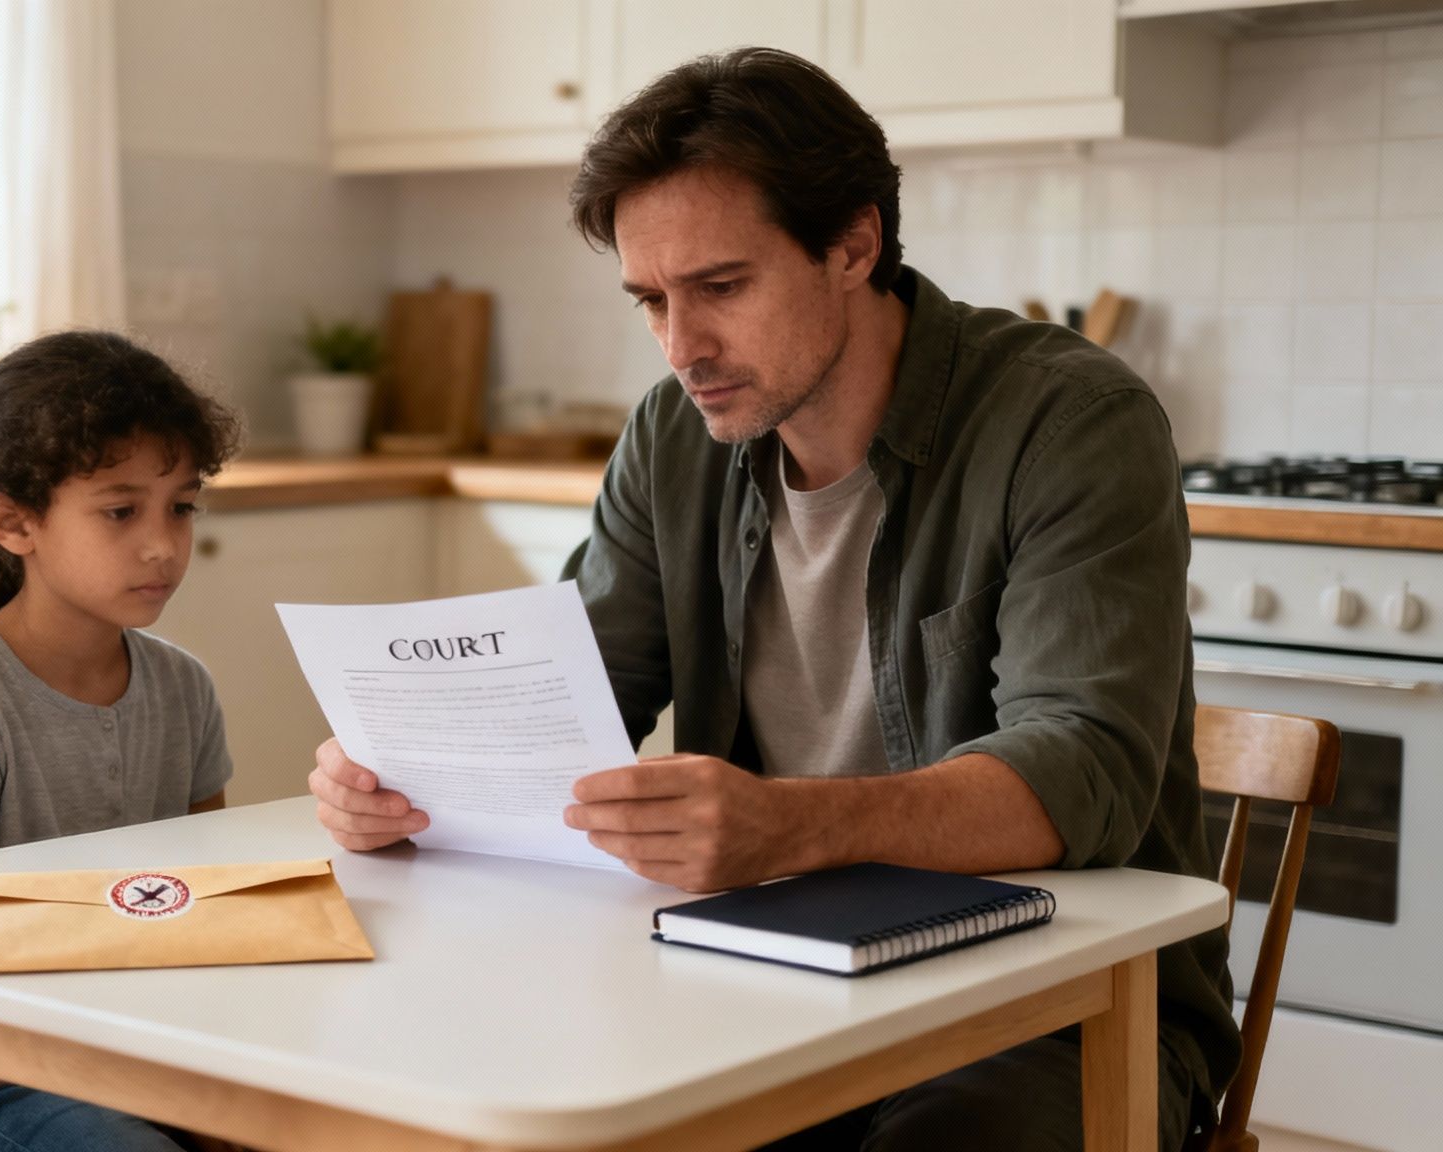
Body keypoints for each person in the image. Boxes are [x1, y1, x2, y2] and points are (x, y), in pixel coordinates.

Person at [308, 47, 1237, 1151]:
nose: (678, 346)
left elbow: (1080, 771)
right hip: (756, 979)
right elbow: (571, 692)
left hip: (1048, 1008)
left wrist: (779, 828)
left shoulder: (1067, 420)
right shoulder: (672, 435)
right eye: (648, 298)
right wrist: (391, 772)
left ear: (852, 245)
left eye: (719, 287)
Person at [0, 329, 240, 1152]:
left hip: (140, 1049)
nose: (164, 544)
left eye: (180, 505)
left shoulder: (184, 689)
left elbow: (205, 915)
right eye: (121, 511)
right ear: (13, 522)